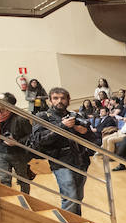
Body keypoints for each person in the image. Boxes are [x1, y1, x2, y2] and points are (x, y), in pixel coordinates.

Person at [29, 87, 96, 215]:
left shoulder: (76, 116)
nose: (59, 101)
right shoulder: (42, 117)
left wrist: (84, 131)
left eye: (62, 98)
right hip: (60, 161)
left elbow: (93, 140)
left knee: (78, 197)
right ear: (49, 101)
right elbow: (39, 140)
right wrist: (62, 126)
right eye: (55, 98)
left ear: (68, 100)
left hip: (81, 160)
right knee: (70, 196)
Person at [0, 92, 32, 193]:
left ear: (8, 103)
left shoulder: (20, 118)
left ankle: (27, 200)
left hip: (18, 153)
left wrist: (17, 142)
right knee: (4, 180)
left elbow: (31, 136)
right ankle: (10, 204)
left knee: (23, 180)